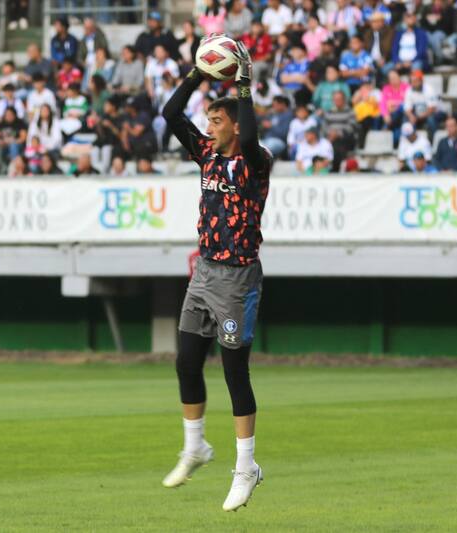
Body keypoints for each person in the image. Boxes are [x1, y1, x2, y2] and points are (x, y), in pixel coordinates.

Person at [160, 39, 270, 511]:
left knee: (234, 373)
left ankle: (247, 468)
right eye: (208, 119)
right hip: (203, 272)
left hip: (237, 280)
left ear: (236, 124)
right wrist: (197, 75)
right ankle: (196, 446)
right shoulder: (206, 154)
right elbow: (170, 113)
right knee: (186, 362)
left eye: (217, 119)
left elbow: (248, 137)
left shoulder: (254, 159)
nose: (209, 125)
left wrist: (242, 86)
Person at [403, 70, 443, 137]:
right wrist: (411, 116)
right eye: (412, 81)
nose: (413, 83)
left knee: (431, 119)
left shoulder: (429, 89)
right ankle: (411, 141)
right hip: (418, 115)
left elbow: (431, 109)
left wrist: (417, 117)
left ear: (421, 81)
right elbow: (407, 108)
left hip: (435, 113)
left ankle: (434, 140)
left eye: (416, 81)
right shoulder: (409, 90)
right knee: (406, 119)